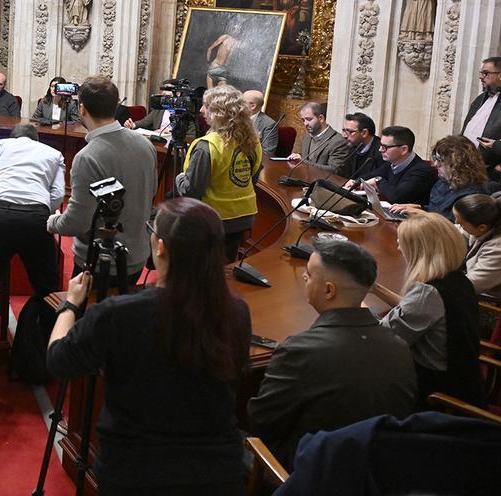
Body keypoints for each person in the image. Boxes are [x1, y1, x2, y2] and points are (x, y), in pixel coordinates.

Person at [46, 198, 251, 496]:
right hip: (218, 474)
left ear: (161, 248)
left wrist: (69, 305)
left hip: (136, 474)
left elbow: (59, 359)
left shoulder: (119, 313)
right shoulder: (237, 313)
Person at [247, 234, 416, 468]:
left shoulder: (300, 351)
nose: (304, 277)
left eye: (309, 273)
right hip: (377, 471)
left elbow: (261, 422)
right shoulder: (399, 346)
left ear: (329, 290)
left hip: (310, 474)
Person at [48, 77, 156, 282]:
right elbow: (150, 194)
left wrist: (53, 222)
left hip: (97, 263)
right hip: (137, 257)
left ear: (82, 109)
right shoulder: (145, 145)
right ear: (115, 106)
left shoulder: (87, 157)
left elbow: (77, 223)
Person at [372, 212, 482, 406]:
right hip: (464, 379)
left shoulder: (427, 293)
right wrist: (373, 288)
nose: (398, 247)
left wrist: (357, 304)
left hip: (435, 392)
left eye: (402, 242)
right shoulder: (457, 279)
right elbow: (412, 309)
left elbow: (382, 338)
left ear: (419, 249)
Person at [0, 123, 64, 296]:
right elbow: (57, 196)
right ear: (37, 141)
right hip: (37, 219)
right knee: (48, 291)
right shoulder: (54, 154)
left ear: (12, 138)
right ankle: (50, 323)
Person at [175, 84, 263, 262]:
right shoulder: (254, 141)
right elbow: (251, 179)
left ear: (218, 112)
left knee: (204, 267)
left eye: (205, 106)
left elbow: (192, 190)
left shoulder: (208, 145)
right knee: (226, 263)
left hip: (213, 219)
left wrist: (179, 178)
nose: (201, 110)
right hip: (242, 217)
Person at [392, 135, 488, 220]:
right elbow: (436, 211)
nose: (435, 164)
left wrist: (423, 214)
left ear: (458, 164)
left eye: (440, 160)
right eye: (435, 159)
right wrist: (418, 208)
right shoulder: (443, 182)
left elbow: (457, 228)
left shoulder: (472, 194)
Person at [357, 125, 438, 207]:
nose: (380, 150)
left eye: (385, 147)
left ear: (404, 149)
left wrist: (378, 181)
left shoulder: (422, 170)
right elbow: (371, 175)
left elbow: (397, 197)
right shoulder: (392, 162)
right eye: (381, 145)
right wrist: (355, 182)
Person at [452, 193, 501, 297]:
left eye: (461, 223)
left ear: (482, 227)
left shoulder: (497, 250)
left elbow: (471, 285)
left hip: (486, 296)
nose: (456, 222)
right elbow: (456, 230)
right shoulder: (484, 225)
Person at [124, 78, 196, 143]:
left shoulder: (186, 113)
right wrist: (132, 124)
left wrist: (172, 134)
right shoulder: (159, 109)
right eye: (163, 90)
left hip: (176, 148)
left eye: (167, 89)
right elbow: (144, 122)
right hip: (159, 144)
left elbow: (192, 137)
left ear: (178, 93)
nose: (163, 93)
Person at [288, 101, 352, 174]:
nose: (305, 123)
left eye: (309, 119)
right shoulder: (307, 136)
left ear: (321, 118)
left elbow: (334, 170)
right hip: (304, 180)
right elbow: (304, 157)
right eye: (303, 120)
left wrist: (303, 162)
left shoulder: (338, 141)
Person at [462, 55, 501, 167]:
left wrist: (496, 146)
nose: (481, 77)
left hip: (490, 172)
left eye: (486, 73)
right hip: (466, 166)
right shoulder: (480, 99)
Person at [339, 112, 383, 179]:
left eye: (350, 132)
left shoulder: (381, 151)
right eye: (344, 131)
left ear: (364, 133)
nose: (344, 136)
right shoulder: (351, 147)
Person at [241, 89, 278, 156]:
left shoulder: (269, 124)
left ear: (253, 106)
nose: (239, 104)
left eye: (242, 102)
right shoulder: (235, 118)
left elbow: (267, 152)